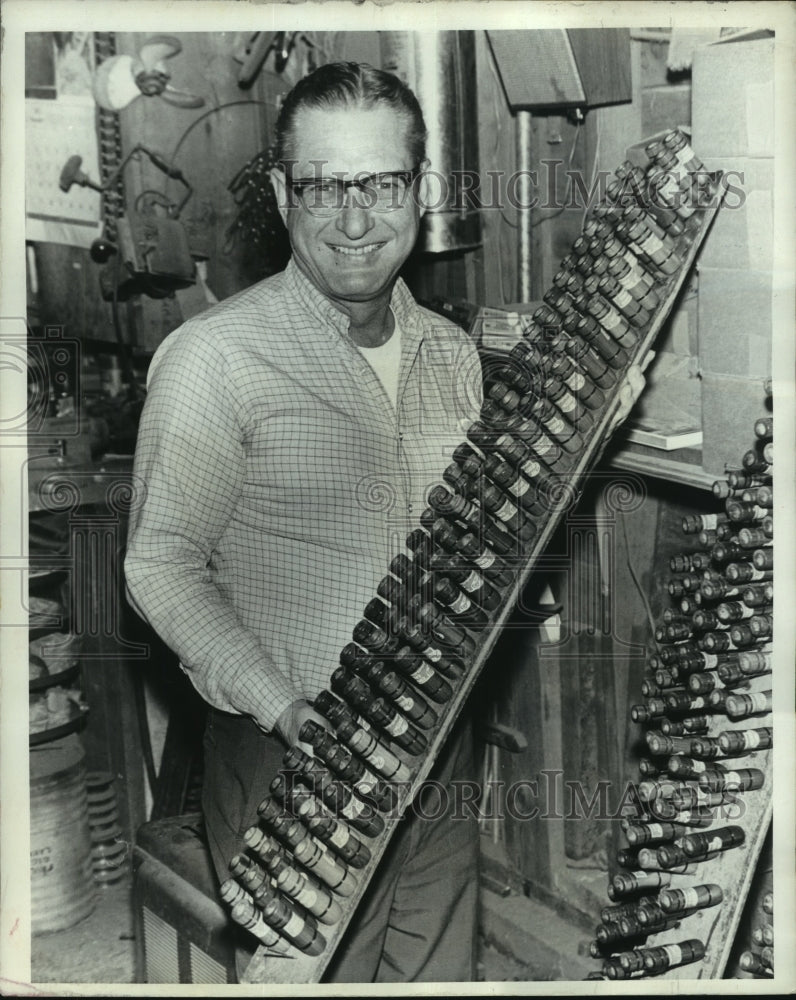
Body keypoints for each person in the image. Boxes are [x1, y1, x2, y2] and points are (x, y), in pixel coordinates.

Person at [125, 61, 484, 983]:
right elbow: (162, 565)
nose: (355, 219)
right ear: (285, 194)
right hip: (290, 762)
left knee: (437, 974)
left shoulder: (452, 357)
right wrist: (283, 706)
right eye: (324, 185)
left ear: (420, 190)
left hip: (436, 755)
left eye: (381, 183)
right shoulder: (214, 358)